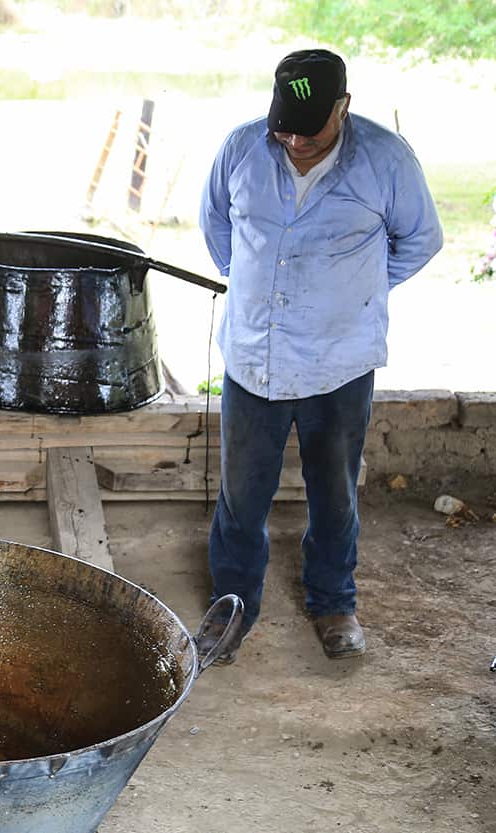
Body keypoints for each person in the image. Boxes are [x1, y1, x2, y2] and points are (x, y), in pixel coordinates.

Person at [197, 48, 443, 665]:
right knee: (240, 494)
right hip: (254, 355)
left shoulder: (386, 160)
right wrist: (253, 288)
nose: (295, 142)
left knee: (334, 491)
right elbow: (217, 226)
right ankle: (232, 608)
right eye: (285, 126)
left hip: (339, 362)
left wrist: (352, 294)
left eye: (309, 130)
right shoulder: (242, 148)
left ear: (343, 108)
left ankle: (334, 602)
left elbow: (421, 239)